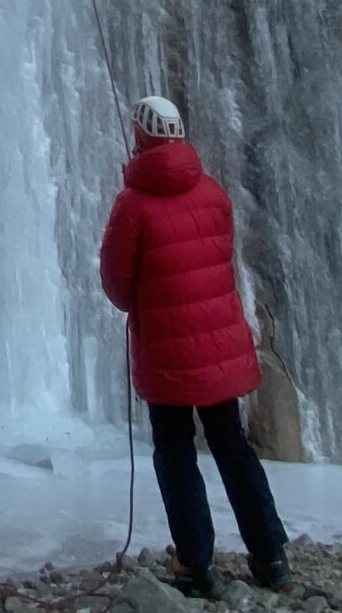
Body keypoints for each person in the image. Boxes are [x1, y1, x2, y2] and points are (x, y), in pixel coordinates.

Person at [98, 94, 292, 600]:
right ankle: (271, 556)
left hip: (167, 354)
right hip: (219, 348)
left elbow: (118, 288)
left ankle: (194, 564)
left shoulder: (133, 204)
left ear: (141, 136)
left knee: (176, 452)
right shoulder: (213, 192)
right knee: (233, 447)